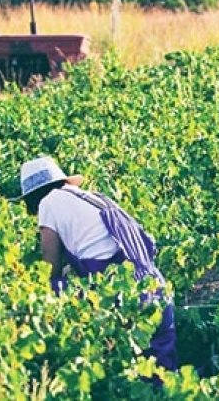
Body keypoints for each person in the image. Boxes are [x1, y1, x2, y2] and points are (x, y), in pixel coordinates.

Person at [13, 156, 177, 372]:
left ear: (33, 196)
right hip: (154, 288)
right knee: (161, 374)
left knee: (47, 294)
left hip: (119, 296)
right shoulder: (96, 198)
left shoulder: (48, 203)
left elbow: (49, 264)